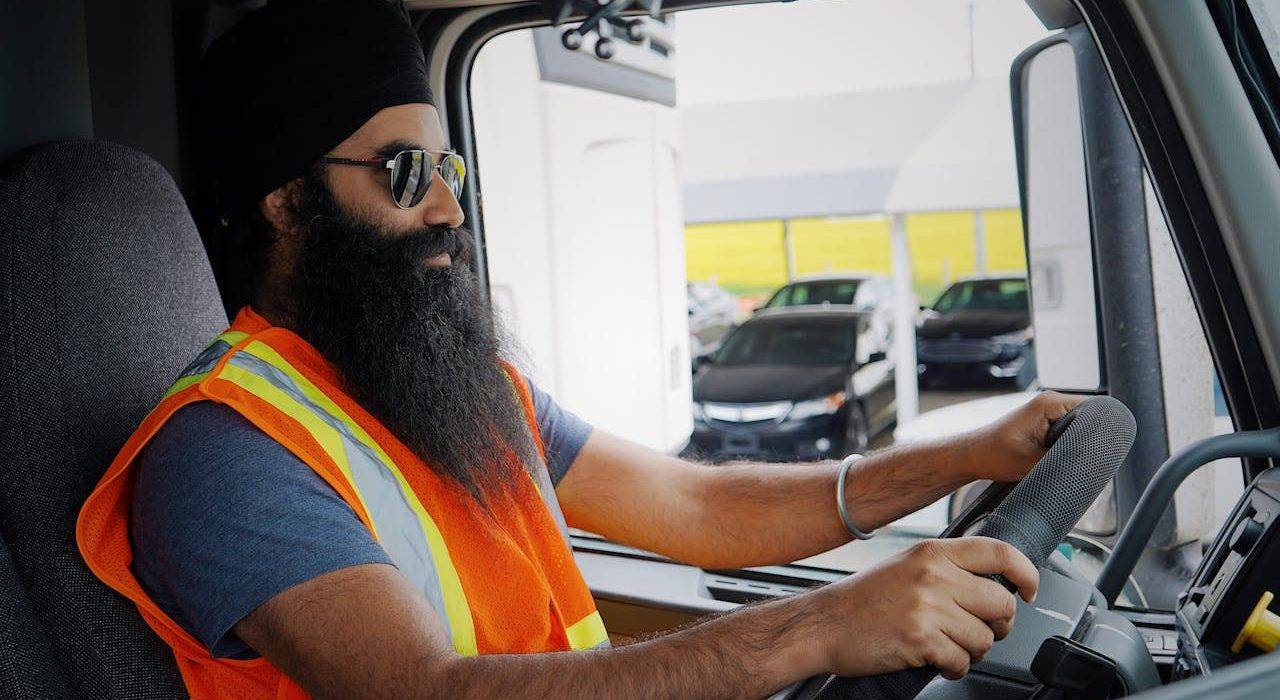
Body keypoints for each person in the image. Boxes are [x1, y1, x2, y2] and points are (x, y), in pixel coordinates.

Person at [77, 1, 1078, 697]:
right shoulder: (224, 451)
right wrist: (811, 628)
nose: (449, 206)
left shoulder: (454, 388)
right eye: (407, 170)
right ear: (288, 200)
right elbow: (424, 695)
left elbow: (694, 505)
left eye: (452, 165)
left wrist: (965, 454)